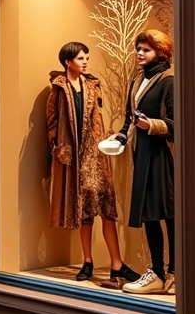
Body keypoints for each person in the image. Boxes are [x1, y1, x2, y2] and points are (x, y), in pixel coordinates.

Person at [47, 42, 139, 284]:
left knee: (107, 210)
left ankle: (117, 264)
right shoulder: (58, 89)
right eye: (80, 58)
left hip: (96, 155)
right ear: (68, 62)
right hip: (74, 157)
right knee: (84, 213)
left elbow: (98, 116)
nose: (85, 61)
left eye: (86, 57)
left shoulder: (93, 85)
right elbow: (52, 123)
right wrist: (58, 148)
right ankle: (87, 261)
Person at [112, 30, 175, 295]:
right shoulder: (137, 80)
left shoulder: (168, 80)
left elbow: (176, 123)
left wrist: (151, 125)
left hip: (162, 154)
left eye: (146, 49)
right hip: (142, 154)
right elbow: (130, 119)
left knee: (170, 214)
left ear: (160, 52)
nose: (139, 53)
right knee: (149, 213)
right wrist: (119, 138)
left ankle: (174, 272)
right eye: (138, 48)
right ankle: (157, 272)